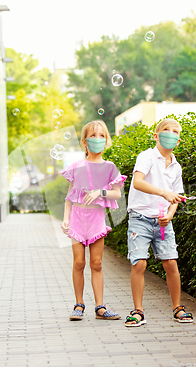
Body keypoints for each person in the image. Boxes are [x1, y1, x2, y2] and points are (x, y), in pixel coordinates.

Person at [124, 118, 193, 327]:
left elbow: (177, 197)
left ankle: (177, 308)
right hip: (140, 219)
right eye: (166, 130)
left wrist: (170, 214)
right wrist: (164, 192)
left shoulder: (176, 167)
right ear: (156, 136)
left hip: (162, 222)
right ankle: (138, 311)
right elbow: (138, 181)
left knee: (170, 262)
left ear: (178, 140)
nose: (170, 134)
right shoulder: (146, 157)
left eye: (175, 132)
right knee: (139, 262)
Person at [61, 120, 126, 321]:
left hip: (97, 218)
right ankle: (79, 305)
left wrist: (101, 191)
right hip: (77, 219)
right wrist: (65, 219)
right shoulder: (76, 167)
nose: (97, 139)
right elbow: (69, 196)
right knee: (78, 262)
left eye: (101, 135)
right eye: (93, 135)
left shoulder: (110, 168)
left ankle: (100, 307)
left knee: (96, 263)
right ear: (85, 141)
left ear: (106, 140)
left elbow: (117, 194)